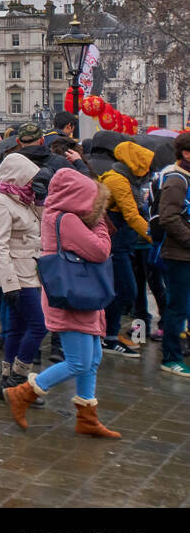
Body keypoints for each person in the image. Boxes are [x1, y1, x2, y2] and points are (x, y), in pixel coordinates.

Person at [4, 169, 120, 437]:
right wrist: (100, 221)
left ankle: (87, 418)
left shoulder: (62, 216)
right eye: (91, 199)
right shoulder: (66, 219)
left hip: (81, 294)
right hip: (73, 296)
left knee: (92, 359)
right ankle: (22, 393)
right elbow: (101, 250)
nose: (93, 205)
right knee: (79, 362)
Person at [0, 152, 46, 398]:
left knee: (18, 327)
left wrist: (39, 199)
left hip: (29, 269)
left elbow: (38, 224)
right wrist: (9, 284)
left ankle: (8, 381)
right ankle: (18, 377)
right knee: (39, 325)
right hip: (15, 274)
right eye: (29, 178)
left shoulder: (20, 197)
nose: (32, 182)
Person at [97, 140, 154, 358]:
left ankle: (107, 333)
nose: (148, 167)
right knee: (125, 289)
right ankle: (108, 337)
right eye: (144, 162)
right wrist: (153, 237)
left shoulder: (127, 179)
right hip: (116, 245)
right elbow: (131, 215)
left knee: (122, 289)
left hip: (124, 244)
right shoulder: (118, 181)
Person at [157, 132, 190, 377]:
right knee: (177, 307)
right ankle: (171, 357)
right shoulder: (176, 180)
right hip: (179, 255)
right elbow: (169, 217)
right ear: (186, 153)